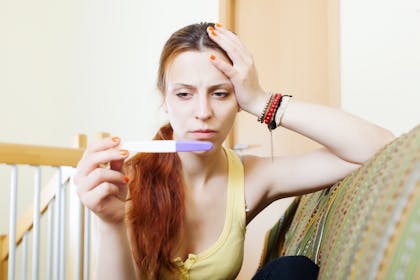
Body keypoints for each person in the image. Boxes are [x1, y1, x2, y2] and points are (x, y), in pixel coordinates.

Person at [73, 22, 395, 279]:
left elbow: (377, 146)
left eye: (220, 93)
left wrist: (263, 101)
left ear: (238, 101)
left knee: (292, 271)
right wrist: (110, 222)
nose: (202, 112)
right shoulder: (126, 182)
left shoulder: (252, 177)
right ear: (165, 100)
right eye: (184, 94)